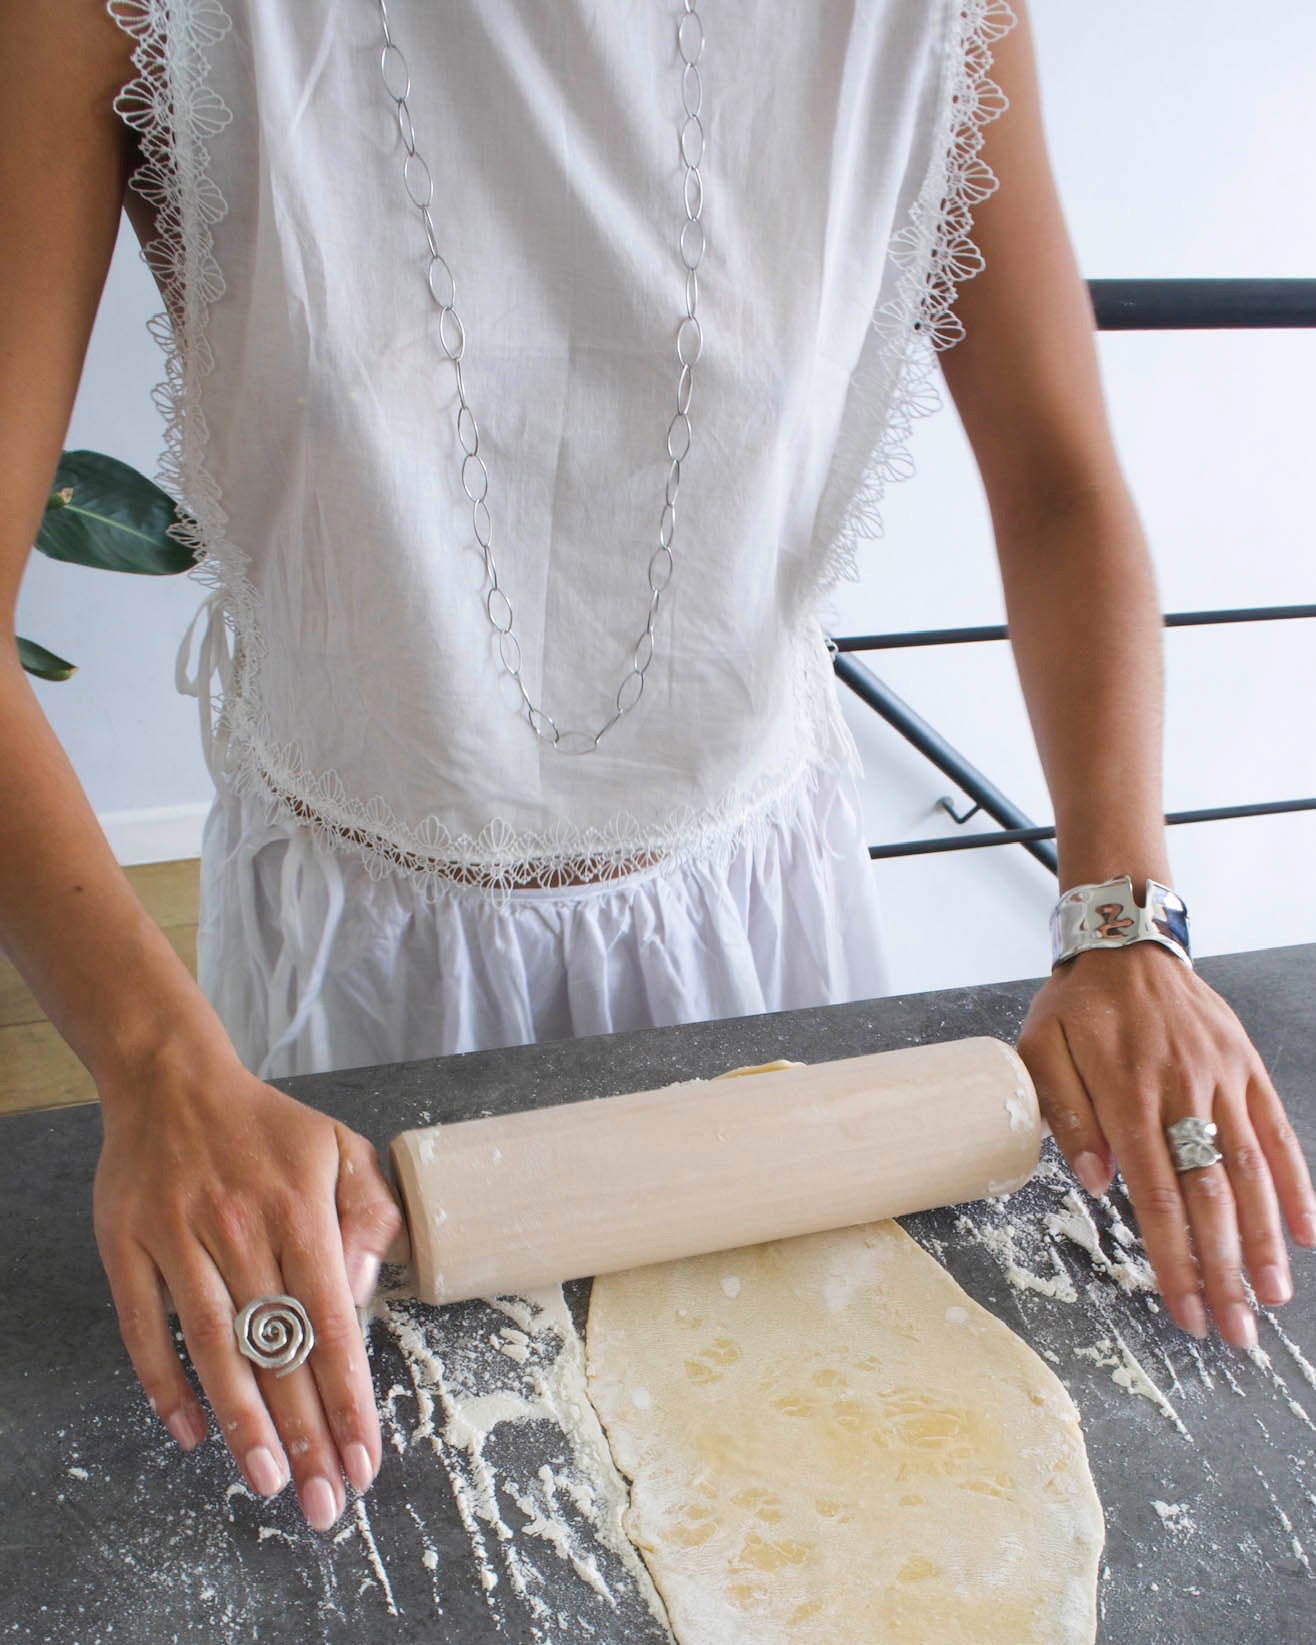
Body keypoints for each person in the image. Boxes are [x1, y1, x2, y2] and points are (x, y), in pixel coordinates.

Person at [1, 0, 1310, 1541]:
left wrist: (1123, 915)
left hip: (766, 937)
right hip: (357, 974)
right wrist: (159, 1070)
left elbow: (1060, 485)